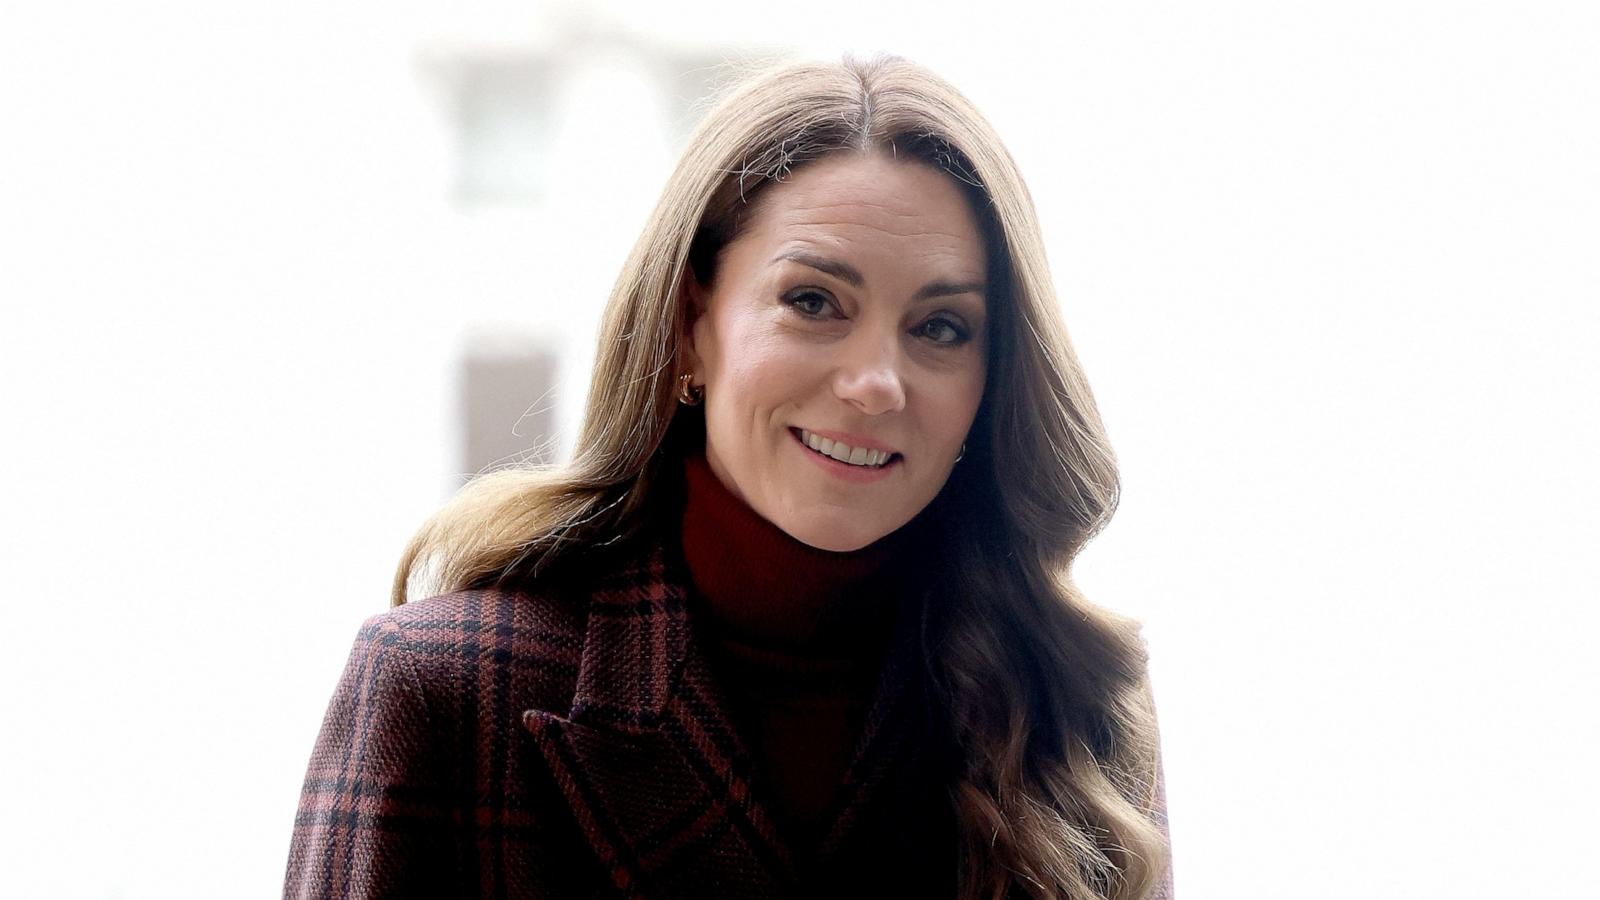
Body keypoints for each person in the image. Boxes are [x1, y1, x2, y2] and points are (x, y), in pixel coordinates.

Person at [284, 55, 1173, 900]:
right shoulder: (445, 691)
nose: (875, 383)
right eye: (814, 302)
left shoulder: (1072, 706)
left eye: (940, 327)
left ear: (993, 379)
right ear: (689, 326)